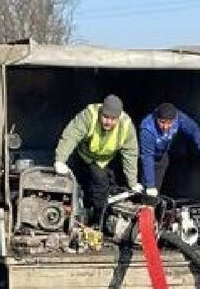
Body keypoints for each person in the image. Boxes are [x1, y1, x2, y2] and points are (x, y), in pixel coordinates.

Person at [53, 94, 141, 223]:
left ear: (119, 117)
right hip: (82, 155)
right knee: (71, 184)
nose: (108, 122)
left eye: (113, 119)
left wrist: (133, 183)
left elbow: (130, 155)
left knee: (102, 189)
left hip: (104, 161)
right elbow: (71, 136)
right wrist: (60, 160)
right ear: (101, 112)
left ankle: (97, 221)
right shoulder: (89, 115)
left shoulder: (126, 126)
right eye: (105, 117)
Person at [138, 102, 200, 196]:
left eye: (169, 123)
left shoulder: (180, 118)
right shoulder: (147, 128)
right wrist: (150, 185)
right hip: (149, 156)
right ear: (156, 118)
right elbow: (147, 157)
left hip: (163, 155)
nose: (165, 127)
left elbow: (194, 129)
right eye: (162, 122)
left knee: (157, 183)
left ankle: (152, 198)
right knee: (147, 187)